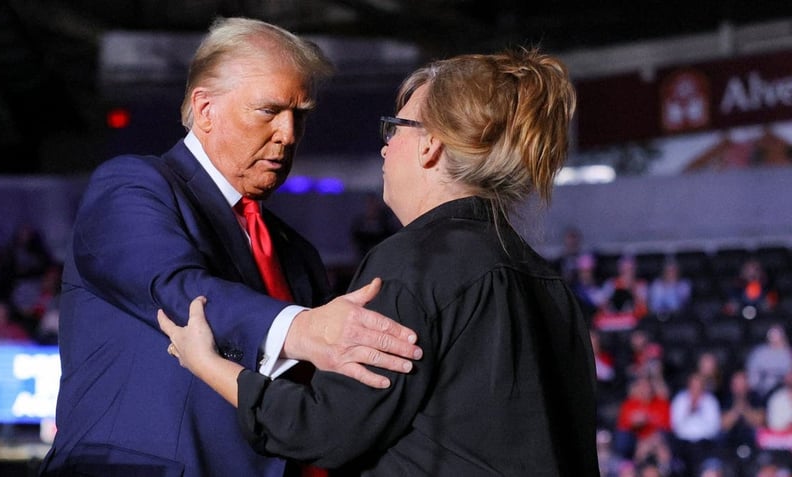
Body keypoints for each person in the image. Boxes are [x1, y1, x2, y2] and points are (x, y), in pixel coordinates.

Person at [159, 47, 600, 475]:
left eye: (396, 129)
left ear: (431, 145)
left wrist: (207, 363)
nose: (386, 149)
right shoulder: (549, 281)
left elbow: (322, 430)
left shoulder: (415, 262)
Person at [39, 17, 422, 477]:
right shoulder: (132, 185)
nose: (289, 133)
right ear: (205, 109)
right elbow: (176, 289)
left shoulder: (296, 252)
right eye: (269, 111)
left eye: (300, 114)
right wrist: (304, 330)